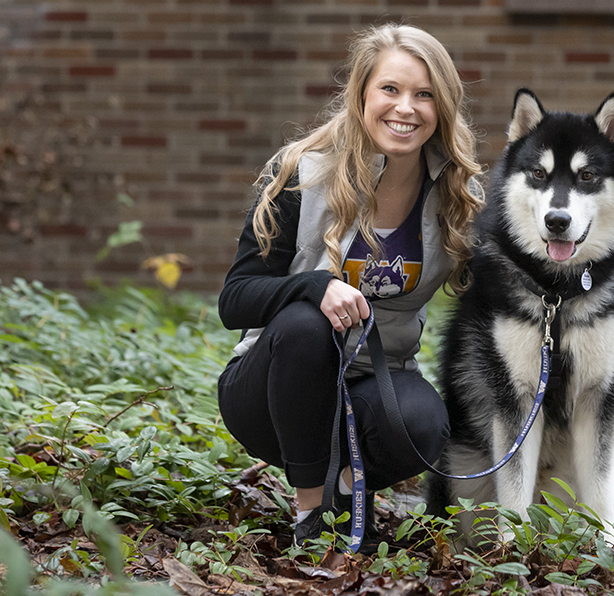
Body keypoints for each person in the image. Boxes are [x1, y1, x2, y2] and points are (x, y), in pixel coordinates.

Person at [215, 24, 482, 551]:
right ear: (362, 93)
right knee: (304, 323)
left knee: (426, 426)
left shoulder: (458, 194)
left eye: (424, 94)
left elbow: (493, 292)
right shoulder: (301, 173)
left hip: (376, 381)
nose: (406, 108)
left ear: (442, 107)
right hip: (271, 387)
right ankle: (311, 512)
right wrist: (314, 286)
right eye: (391, 89)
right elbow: (235, 297)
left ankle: (344, 488)